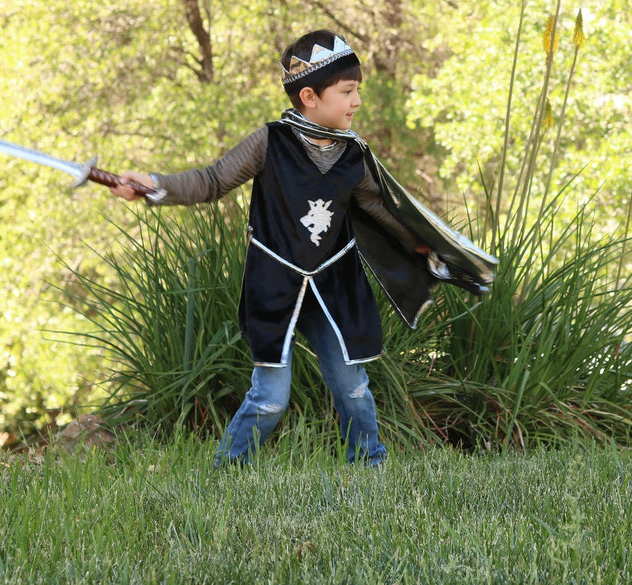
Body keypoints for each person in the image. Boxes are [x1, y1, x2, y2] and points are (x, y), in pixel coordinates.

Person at [110, 30, 496, 468]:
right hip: (274, 284)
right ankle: (228, 471)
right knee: (271, 399)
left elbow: (386, 213)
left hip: (335, 285)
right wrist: (154, 185)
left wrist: (429, 248)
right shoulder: (270, 142)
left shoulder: (354, 157)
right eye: (348, 91)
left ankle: (370, 466)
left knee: (352, 387)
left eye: (358, 92)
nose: (356, 102)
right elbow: (212, 180)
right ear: (309, 95)